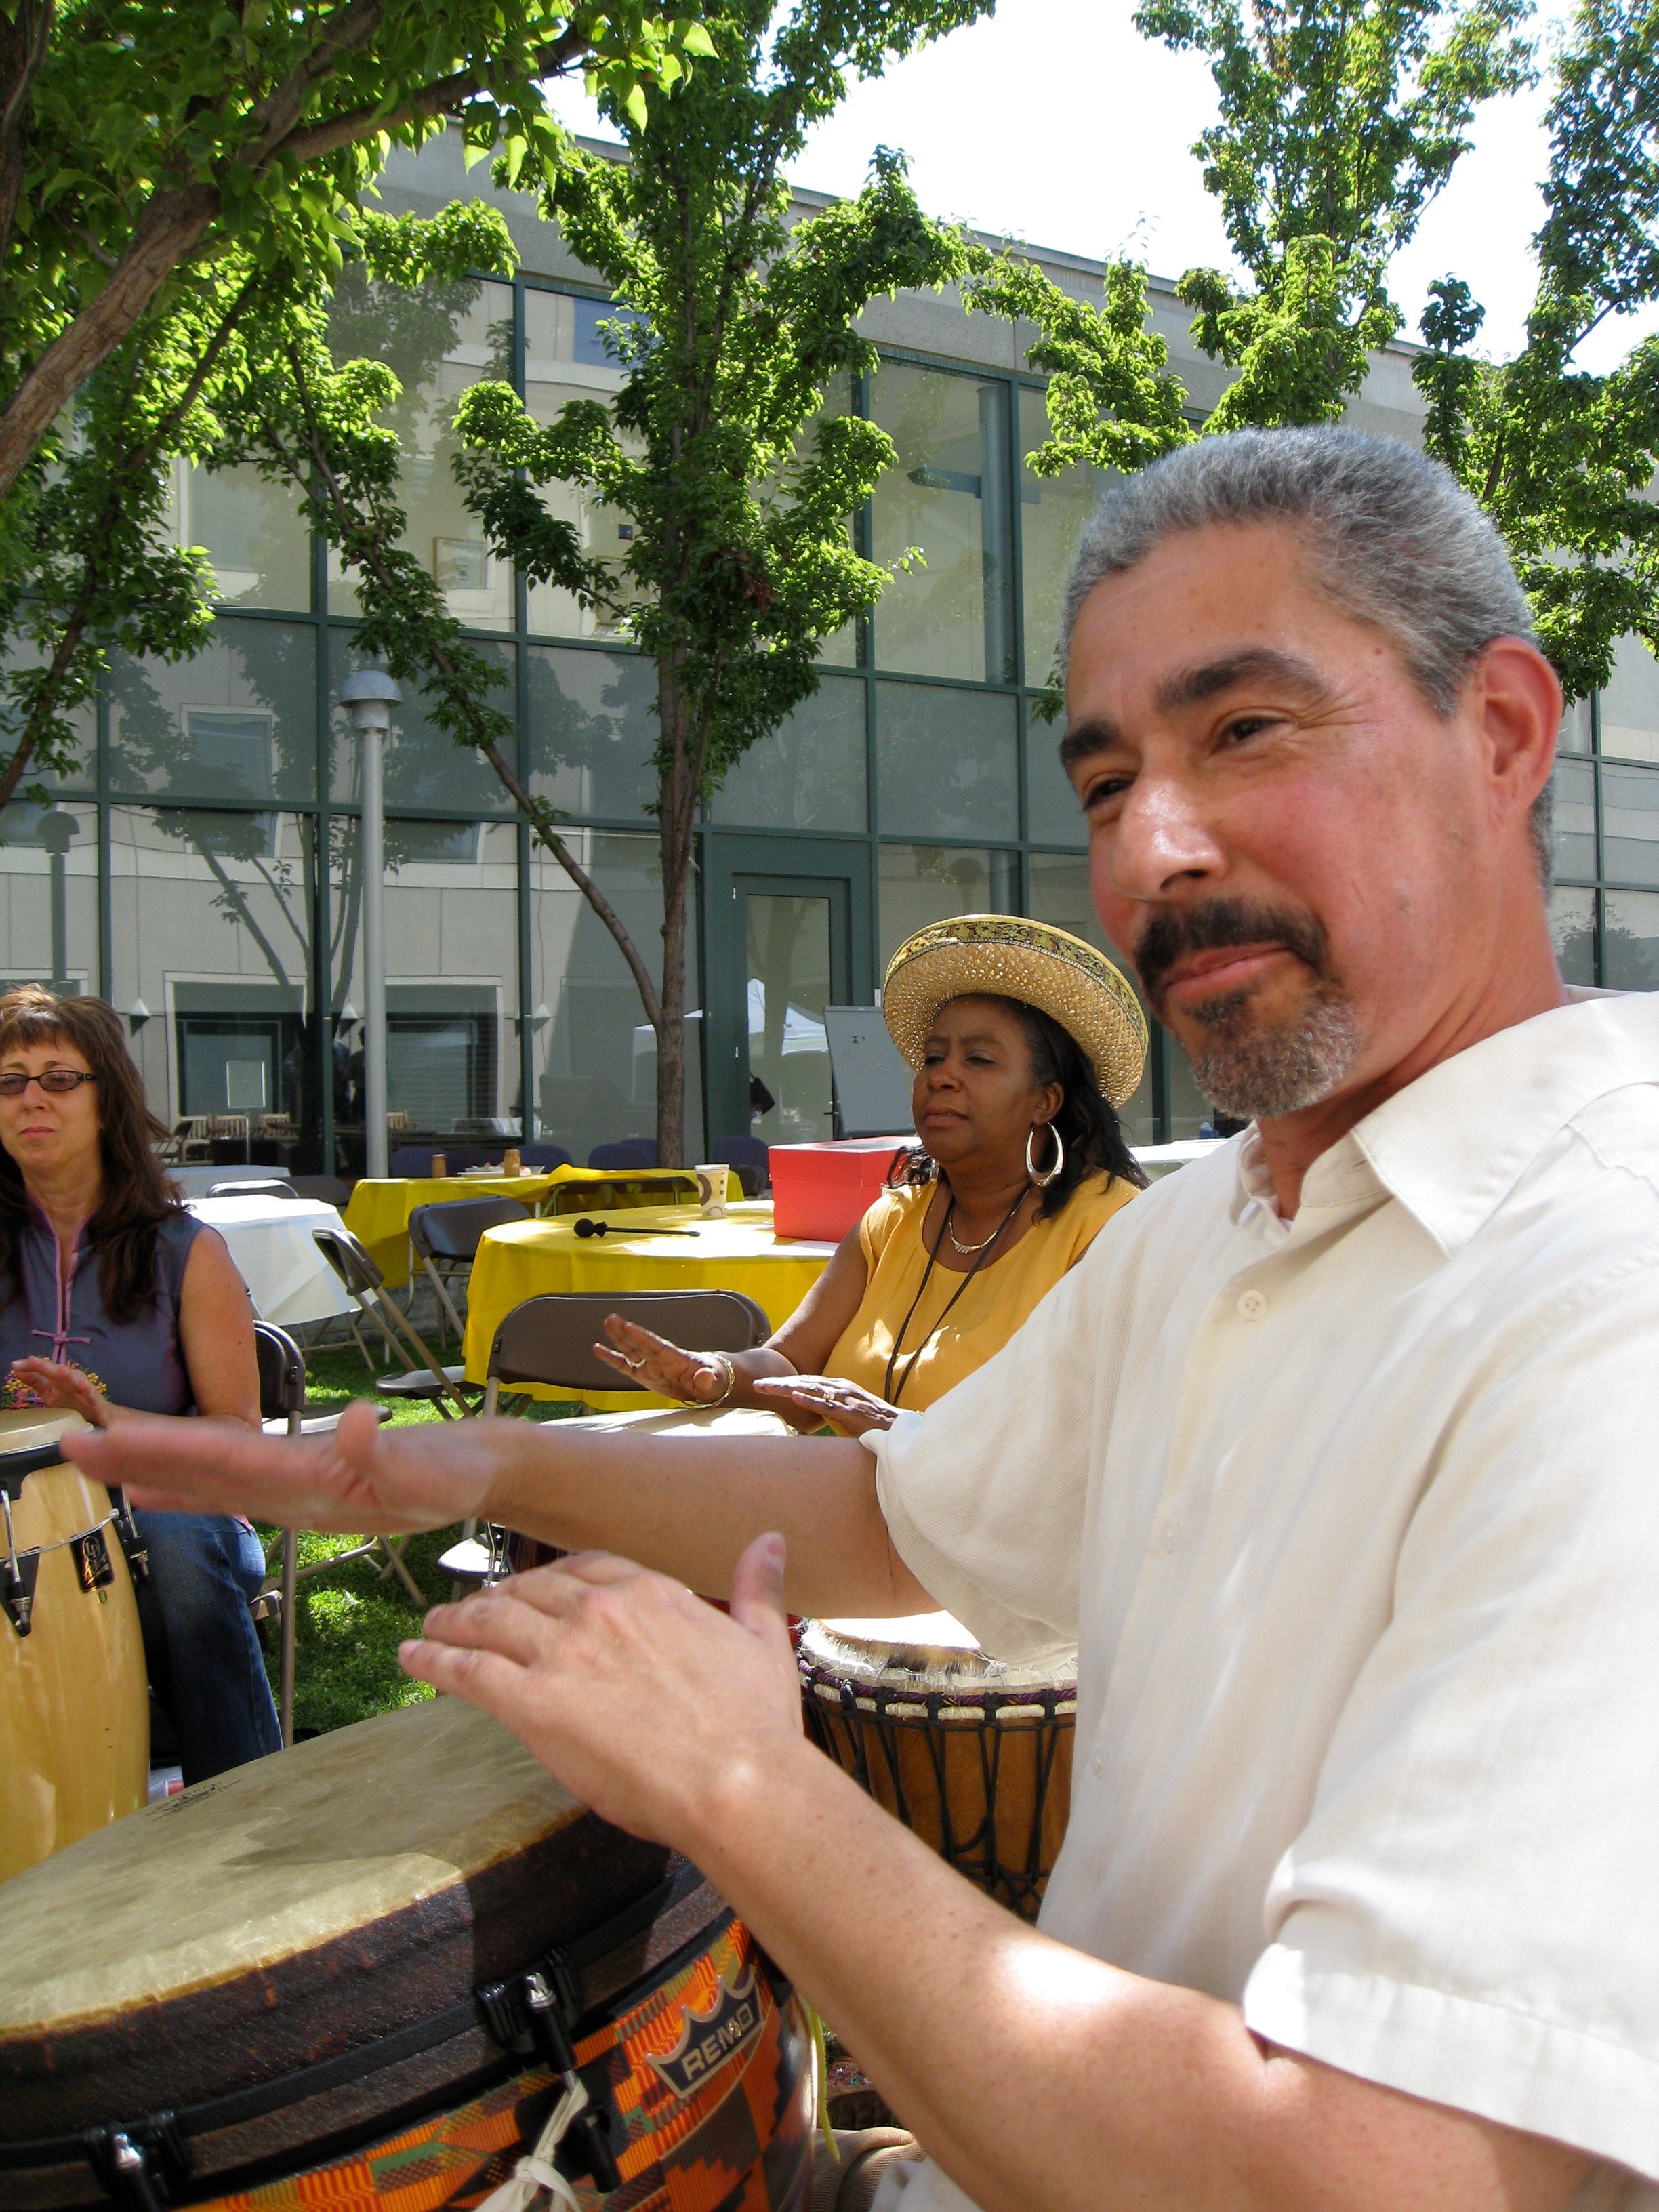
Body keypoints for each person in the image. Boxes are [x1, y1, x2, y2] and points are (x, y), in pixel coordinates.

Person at [75, 426, 1659, 2211]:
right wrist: (441, 1466)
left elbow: (1381, 2178)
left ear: (1506, 733)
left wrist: (746, 1790)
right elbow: (892, 1518)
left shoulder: (1612, 1293)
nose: (1157, 844)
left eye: (1247, 730)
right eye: (1108, 775)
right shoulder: (1211, 1227)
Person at [593, 918, 1147, 1436]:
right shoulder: (892, 1221)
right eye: (933, 1059)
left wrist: (901, 1435)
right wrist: (715, 1374)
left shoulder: (1107, 1226)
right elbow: (793, 1362)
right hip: (842, 1515)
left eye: (979, 1060)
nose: (943, 1078)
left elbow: (1100, 1433)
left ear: (1045, 1101)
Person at [0, 987, 281, 1784]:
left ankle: (245, 1802)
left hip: (168, 1508)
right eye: (11, 1080)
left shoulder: (183, 1251)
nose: (30, 1100)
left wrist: (108, 1420)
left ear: (106, 1099)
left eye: (59, 1079)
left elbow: (237, 1440)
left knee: (181, 1549)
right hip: (19, 1518)